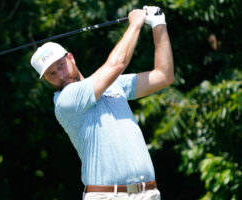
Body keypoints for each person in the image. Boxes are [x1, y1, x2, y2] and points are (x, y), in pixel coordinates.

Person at [30, 6, 174, 200]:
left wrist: (158, 24)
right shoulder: (66, 101)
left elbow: (163, 76)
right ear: (46, 80)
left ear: (70, 58)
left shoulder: (114, 86)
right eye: (51, 74)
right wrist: (136, 24)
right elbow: (117, 64)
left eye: (61, 65)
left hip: (147, 194)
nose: (60, 76)